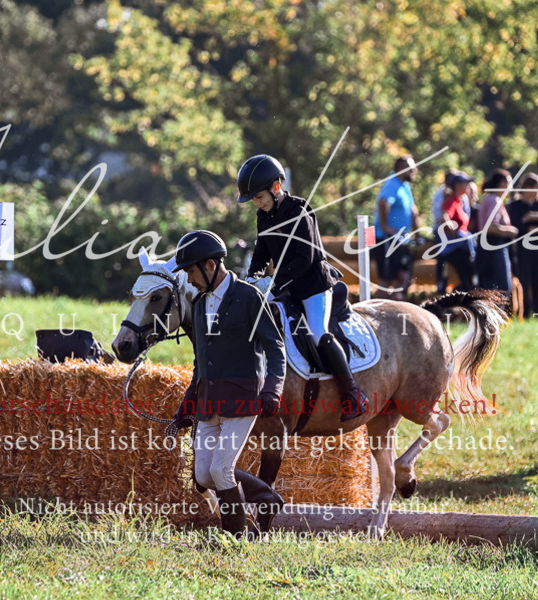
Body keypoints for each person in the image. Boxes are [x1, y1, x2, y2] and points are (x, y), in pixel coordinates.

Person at [171, 230, 286, 538]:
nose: (189, 279)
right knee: (203, 475)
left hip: (242, 400)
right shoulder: (198, 304)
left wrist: (273, 388)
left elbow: (275, 347)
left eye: (191, 272)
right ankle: (266, 497)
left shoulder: (249, 297)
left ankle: (236, 540)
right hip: (209, 403)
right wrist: (187, 404)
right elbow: (200, 363)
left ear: (210, 265)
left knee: (221, 470)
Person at [237, 154, 367, 420]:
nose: (257, 203)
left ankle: (353, 393)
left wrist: (274, 283)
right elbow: (262, 252)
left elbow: (304, 258)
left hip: (314, 286)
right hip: (287, 287)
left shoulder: (299, 211)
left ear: (276, 187)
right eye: (253, 200)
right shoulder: (264, 216)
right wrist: (253, 276)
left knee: (318, 332)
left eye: (259, 197)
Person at [506, 173, 538, 319]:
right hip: (522, 250)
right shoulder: (514, 206)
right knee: (524, 281)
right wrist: (531, 227)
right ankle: (524, 313)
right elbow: (515, 226)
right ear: (528, 187)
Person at [373, 155, 421, 299]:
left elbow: (412, 209)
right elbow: (383, 202)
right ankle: (377, 308)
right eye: (411, 168)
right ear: (401, 169)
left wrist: (417, 233)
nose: (415, 170)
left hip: (401, 240)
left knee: (404, 277)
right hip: (386, 239)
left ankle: (395, 307)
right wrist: (385, 227)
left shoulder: (404, 185)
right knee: (386, 280)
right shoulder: (392, 183)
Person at [473, 169, 519, 294]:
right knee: (502, 288)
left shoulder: (490, 198)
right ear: (501, 183)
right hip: (495, 246)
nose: (511, 187)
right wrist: (510, 231)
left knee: (490, 287)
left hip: (488, 247)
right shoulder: (494, 200)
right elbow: (490, 227)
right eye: (509, 183)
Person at [435, 171, 476, 293]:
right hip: (454, 248)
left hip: (463, 247)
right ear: (457, 185)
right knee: (467, 278)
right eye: (465, 183)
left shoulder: (460, 201)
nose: (468, 186)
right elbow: (444, 216)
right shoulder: (451, 201)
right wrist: (449, 225)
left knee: (469, 277)